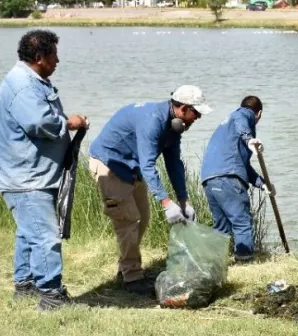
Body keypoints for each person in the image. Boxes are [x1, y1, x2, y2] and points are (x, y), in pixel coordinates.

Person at [0, 29, 89, 311]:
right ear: (40, 57)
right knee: (45, 236)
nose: (58, 60)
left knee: (29, 232)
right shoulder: (24, 85)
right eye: (54, 54)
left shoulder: (30, 80)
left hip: (30, 173)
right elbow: (38, 123)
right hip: (25, 177)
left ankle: (26, 286)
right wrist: (71, 122)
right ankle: (51, 298)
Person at [88, 86, 210, 295]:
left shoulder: (173, 126)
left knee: (143, 218)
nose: (197, 118)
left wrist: (183, 200)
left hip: (131, 168)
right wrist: (165, 201)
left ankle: (126, 268)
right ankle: (132, 278)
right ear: (182, 108)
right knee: (129, 219)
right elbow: (148, 165)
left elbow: (173, 163)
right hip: (109, 165)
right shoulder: (152, 121)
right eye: (195, 113)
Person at [201, 96, 274, 263]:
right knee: (242, 222)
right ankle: (244, 261)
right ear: (259, 114)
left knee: (222, 227)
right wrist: (249, 139)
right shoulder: (244, 114)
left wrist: (263, 184)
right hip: (228, 177)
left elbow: (243, 166)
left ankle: (216, 263)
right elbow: (242, 117)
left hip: (209, 178)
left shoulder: (228, 127)